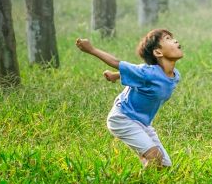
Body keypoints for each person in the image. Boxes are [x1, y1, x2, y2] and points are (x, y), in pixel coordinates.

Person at [75, 29, 183, 168]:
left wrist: (115, 75)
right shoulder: (148, 72)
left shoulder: (175, 75)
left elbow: (136, 74)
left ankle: (145, 161)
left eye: (173, 38)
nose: (175, 40)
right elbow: (117, 62)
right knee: (155, 158)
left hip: (143, 123)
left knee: (164, 165)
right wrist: (92, 49)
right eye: (168, 38)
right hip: (123, 118)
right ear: (158, 52)